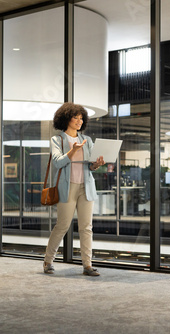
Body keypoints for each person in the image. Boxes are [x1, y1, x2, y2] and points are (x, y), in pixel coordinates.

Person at [43, 102, 105, 276]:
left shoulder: (87, 140)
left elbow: (90, 167)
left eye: (81, 118)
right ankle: (48, 261)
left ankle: (87, 265)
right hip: (67, 186)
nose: (79, 120)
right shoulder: (58, 140)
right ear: (66, 119)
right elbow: (57, 162)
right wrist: (72, 151)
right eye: (75, 117)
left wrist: (97, 164)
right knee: (62, 225)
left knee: (86, 227)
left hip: (86, 187)